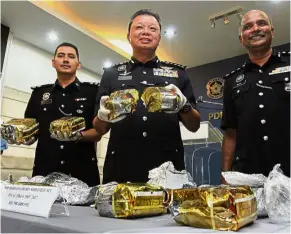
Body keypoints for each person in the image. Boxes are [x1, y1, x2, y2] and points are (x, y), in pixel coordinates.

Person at [93, 9, 200, 184]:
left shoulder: (177, 74)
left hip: (167, 166)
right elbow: (100, 129)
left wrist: (183, 105)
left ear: (159, 37)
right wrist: (102, 115)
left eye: (152, 28)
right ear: (128, 36)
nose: (145, 32)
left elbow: (194, 125)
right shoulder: (111, 74)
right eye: (139, 27)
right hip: (122, 166)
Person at [221, 10, 290, 178]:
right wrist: (225, 177)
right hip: (248, 175)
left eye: (262, 23)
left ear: (272, 31)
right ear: (241, 39)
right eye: (248, 26)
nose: (255, 29)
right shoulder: (232, 80)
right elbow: (231, 134)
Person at [25, 42, 101, 186]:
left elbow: (98, 132)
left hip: (81, 173)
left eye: (71, 56)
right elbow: (30, 134)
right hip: (45, 171)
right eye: (61, 56)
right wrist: (19, 136)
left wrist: (76, 136)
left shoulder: (92, 93)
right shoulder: (39, 94)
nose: (65, 60)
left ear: (78, 64)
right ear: (53, 63)